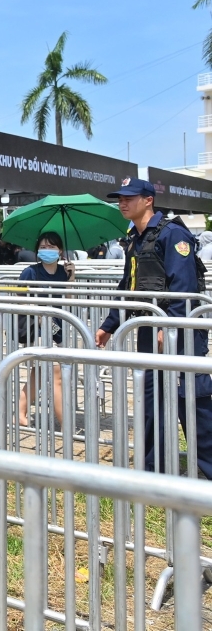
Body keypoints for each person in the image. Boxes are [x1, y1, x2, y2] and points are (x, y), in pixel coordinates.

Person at [95, 178, 212, 480]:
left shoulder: (173, 234)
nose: (123, 203)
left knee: (191, 401)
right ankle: (153, 471)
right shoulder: (135, 237)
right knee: (152, 401)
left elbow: (183, 286)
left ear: (148, 200)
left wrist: (168, 325)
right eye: (119, 198)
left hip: (180, 329)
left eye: (129, 198)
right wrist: (110, 324)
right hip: (150, 328)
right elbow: (129, 286)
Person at [16, 231, 75, 428]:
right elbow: (18, 301)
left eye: (51, 247)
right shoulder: (30, 272)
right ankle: (67, 425)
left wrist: (72, 278)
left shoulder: (63, 272)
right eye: (43, 247)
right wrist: (37, 310)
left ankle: (20, 412)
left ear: (60, 251)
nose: (47, 250)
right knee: (56, 374)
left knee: (39, 374)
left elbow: (71, 302)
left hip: (57, 329)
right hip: (37, 331)